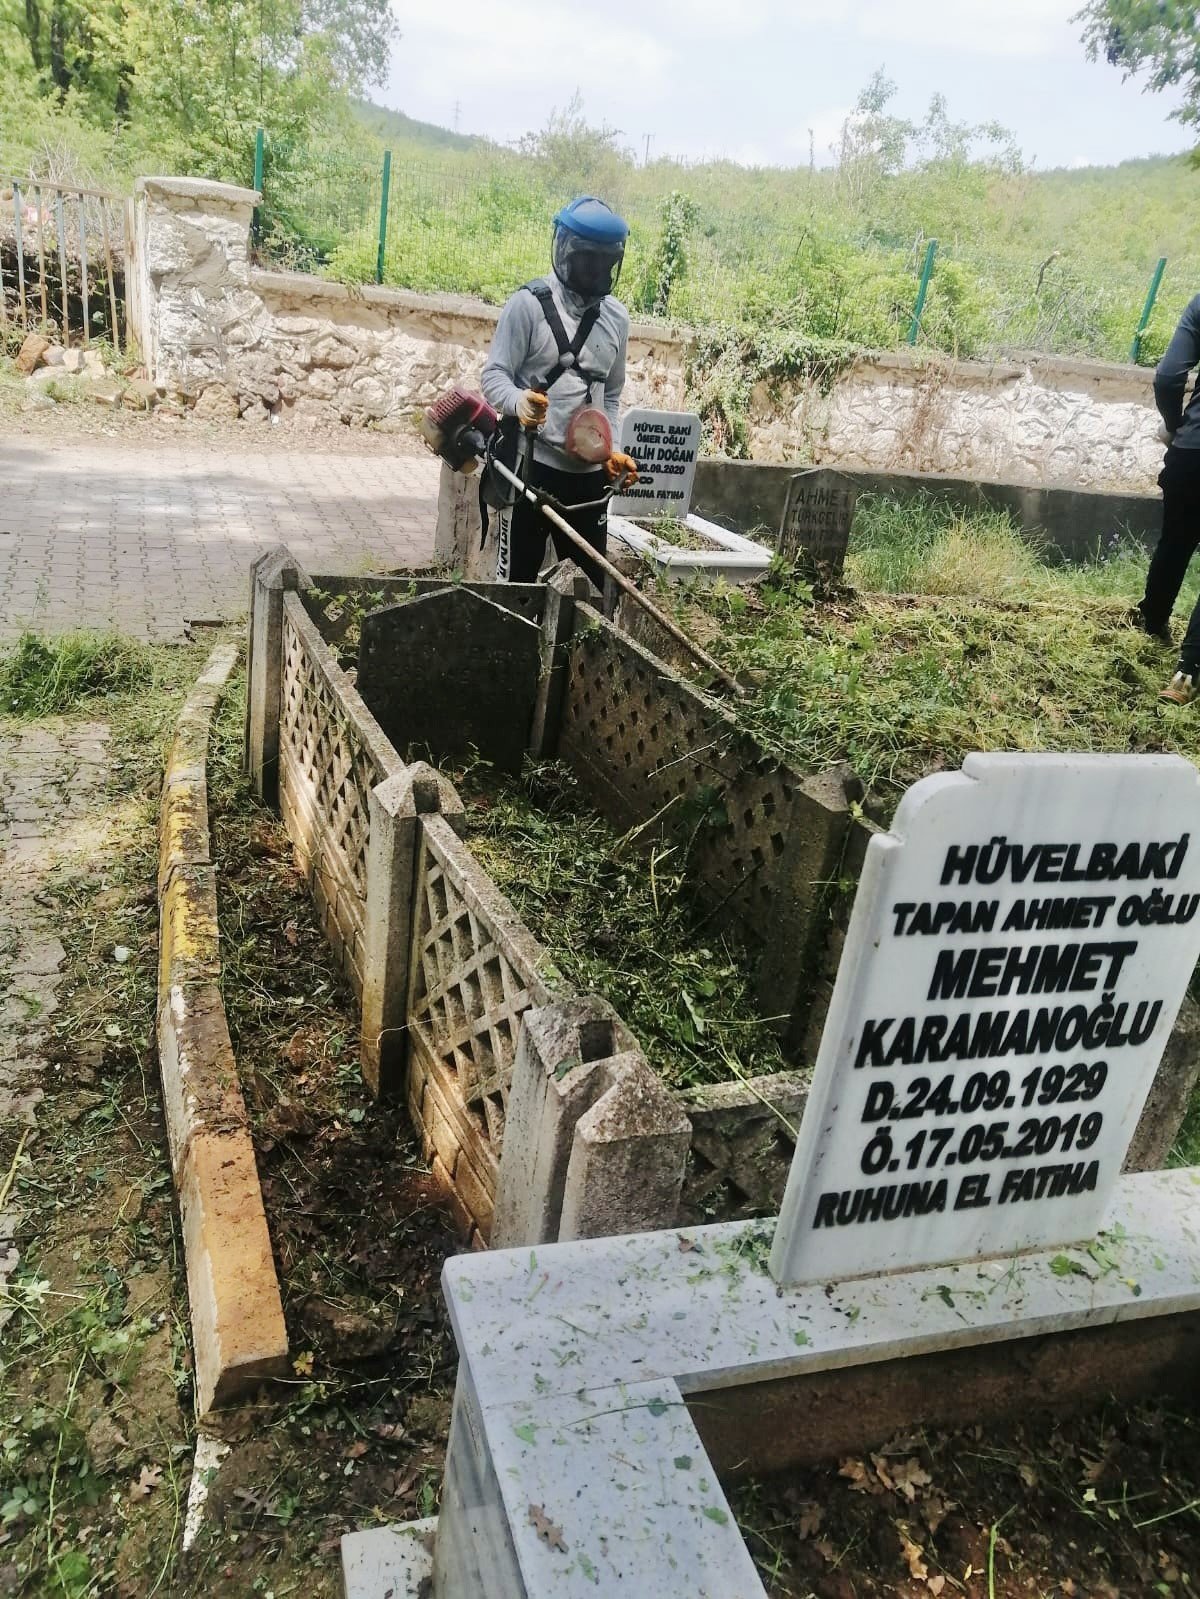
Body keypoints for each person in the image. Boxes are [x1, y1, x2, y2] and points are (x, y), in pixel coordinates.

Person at [479, 196, 638, 591]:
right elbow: (494, 376)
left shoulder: (616, 318)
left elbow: (611, 395)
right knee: (518, 588)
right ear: (566, 252)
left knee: (588, 591)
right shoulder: (527, 306)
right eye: (587, 259)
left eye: (604, 262)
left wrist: (612, 449)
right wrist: (519, 402)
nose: (595, 270)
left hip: (590, 483)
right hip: (531, 470)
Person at [1137, 295, 1200, 704]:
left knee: (1174, 542)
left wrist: (1177, 426)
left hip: (1192, 451)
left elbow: (1168, 377)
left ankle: (1151, 623)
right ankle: (1188, 674)